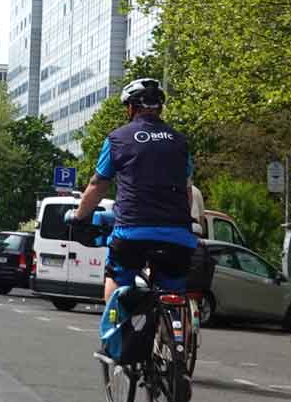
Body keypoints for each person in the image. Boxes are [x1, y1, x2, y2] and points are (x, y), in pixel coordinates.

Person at [70, 77, 197, 308]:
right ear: (159, 107)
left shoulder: (118, 138)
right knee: (174, 287)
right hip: (178, 233)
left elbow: (98, 184)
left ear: (130, 107)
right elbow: (187, 190)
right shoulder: (180, 142)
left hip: (132, 230)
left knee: (117, 277)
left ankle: (115, 336)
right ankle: (178, 332)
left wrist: (79, 217)